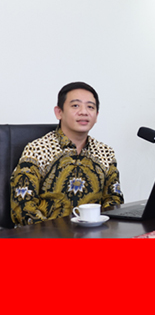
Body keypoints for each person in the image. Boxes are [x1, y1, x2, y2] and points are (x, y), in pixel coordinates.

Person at [10, 82, 123, 226]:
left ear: (96, 116)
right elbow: (22, 208)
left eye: (90, 107)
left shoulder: (105, 152)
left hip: (93, 235)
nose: (84, 112)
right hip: (45, 236)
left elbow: (114, 201)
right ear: (59, 112)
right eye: (75, 105)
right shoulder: (37, 150)